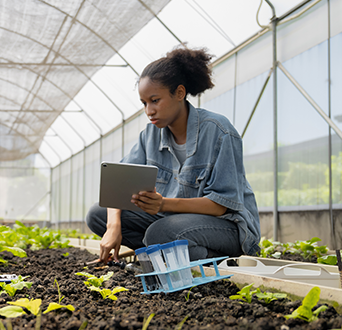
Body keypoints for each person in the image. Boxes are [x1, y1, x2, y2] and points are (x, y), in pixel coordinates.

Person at [86, 47, 261, 263]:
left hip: (227, 226)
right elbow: (117, 187)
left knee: (160, 232)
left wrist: (163, 204)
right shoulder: (150, 135)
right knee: (98, 214)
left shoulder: (219, 131)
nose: (149, 110)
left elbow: (220, 205)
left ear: (179, 93)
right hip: (175, 221)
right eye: (144, 103)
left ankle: (215, 260)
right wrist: (113, 227)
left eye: (155, 100)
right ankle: (160, 257)